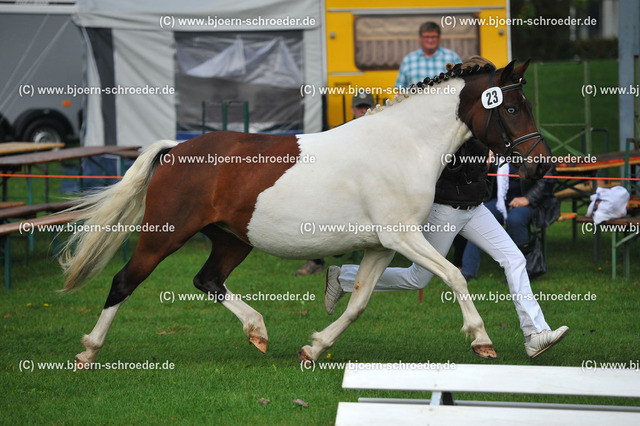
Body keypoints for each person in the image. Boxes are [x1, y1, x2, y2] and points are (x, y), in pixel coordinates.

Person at [323, 93, 568, 357]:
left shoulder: (483, 124)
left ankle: (535, 334)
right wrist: (479, 158)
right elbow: (438, 165)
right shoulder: (449, 122)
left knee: (514, 259)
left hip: (475, 209)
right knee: (418, 278)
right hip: (445, 211)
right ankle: (344, 277)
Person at [293, 91, 375, 276]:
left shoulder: (381, 132)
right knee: (315, 203)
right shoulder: (340, 131)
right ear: (353, 109)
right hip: (344, 186)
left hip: (371, 189)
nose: (363, 110)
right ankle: (316, 259)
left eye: (366, 106)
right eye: (360, 107)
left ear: (373, 108)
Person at [461, 159, 559, 280]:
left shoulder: (533, 143)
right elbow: (476, 179)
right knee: (478, 220)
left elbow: (549, 175)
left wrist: (528, 198)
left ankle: (521, 272)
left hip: (530, 202)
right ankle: (468, 271)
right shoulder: (495, 145)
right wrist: (485, 165)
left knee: (515, 219)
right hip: (500, 201)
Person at [395, 21, 461, 89]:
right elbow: (399, 88)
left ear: (439, 38)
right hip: (415, 99)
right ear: (420, 38)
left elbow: (461, 83)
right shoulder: (408, 60)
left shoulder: (452, 57)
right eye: (426, 37)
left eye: (433, 37)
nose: (430, 40)